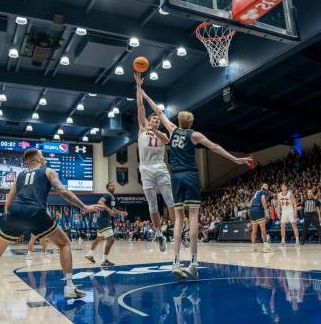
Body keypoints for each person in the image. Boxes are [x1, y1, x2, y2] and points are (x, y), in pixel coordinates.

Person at [0, 148, 101, 310]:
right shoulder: (48, 171)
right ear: (38, 159)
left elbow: (8, 202)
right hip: (35, 212)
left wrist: (12, 218)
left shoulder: (20, 176)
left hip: (14, 212)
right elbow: (62, 190)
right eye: (43, 156)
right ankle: (69, 287)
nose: (45, 158)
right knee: (64, 244)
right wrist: (84, 207)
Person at [141, 87, 252, 279]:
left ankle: (175, 261)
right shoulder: (194, 135)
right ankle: (193, 262)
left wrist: (143, 94)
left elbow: (158, 111)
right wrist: (235, 159)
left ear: (178, 121)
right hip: (190, 176)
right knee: (192, 218)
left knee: (177, 220)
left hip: (175, 177)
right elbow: (215, 147)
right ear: (191, 122)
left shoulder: (172, 130)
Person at [135, 73, 175, 252]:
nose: (156, 121)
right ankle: (159, 233)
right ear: (148, 120)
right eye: (153, 119)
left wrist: (155, 130)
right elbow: (139, 105)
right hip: (145, 168)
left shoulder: (163, 134)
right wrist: (138, 87)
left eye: (158, 120)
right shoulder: (143, 128)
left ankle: (177, 231)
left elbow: (166, 141)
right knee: (152, 203)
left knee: (170, 201)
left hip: (160, 166)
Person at [85, 182, 127, 266]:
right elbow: (100, 202)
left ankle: (89, 255)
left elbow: (113, 209)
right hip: (103, 220)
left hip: (103, 220)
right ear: (107, 188)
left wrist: (121, 213)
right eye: (111, 185)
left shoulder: (112, 197)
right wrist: (109, 210)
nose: (113, 186)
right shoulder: (107, 195)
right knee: (111, 239)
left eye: (113, 185)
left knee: (99, 239)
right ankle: (104, 260)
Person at [249, 183, 272, 252]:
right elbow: (262, 199)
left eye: (267, 185)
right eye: (265, 185)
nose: (266, 186)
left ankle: (253, 247)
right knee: (263, 229)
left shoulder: (256, 192)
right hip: (258, 209)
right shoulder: (264, 191)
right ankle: (266, 247)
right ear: (262, 186)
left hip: (251, 210)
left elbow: (250, 203)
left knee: (254, 230)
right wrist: (266, 210)